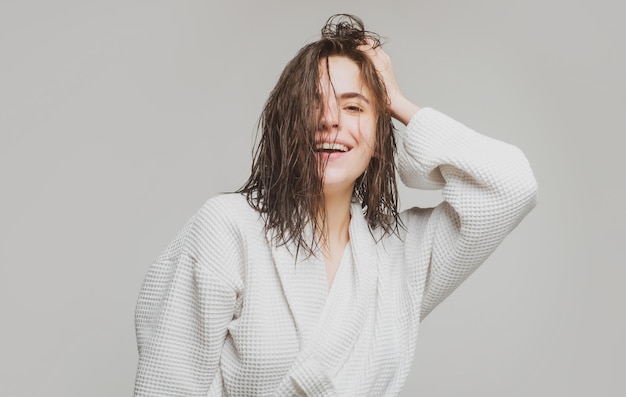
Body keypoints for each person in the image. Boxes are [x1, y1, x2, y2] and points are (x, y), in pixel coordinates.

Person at [133, 14, 537, 397]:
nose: (330, 120)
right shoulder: (226, 228)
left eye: (354, 106)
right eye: (313, 103)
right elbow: (167, 385)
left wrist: (395, 99)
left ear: (379, 138)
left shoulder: (402, 254)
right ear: (287, 126)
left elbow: (511, 187)